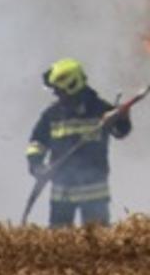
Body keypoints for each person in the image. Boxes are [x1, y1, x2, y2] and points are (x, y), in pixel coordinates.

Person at [25, 58, 132, 227]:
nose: (56, 94)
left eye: (59, 90)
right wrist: (36, 165)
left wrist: (123, 117)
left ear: (71, 85)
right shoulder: (52, 114)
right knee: (59, 243)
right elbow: (37, 142)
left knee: (98, 244)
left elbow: (120, 132)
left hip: (94, 194)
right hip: (61, 193)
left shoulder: (101, 110)